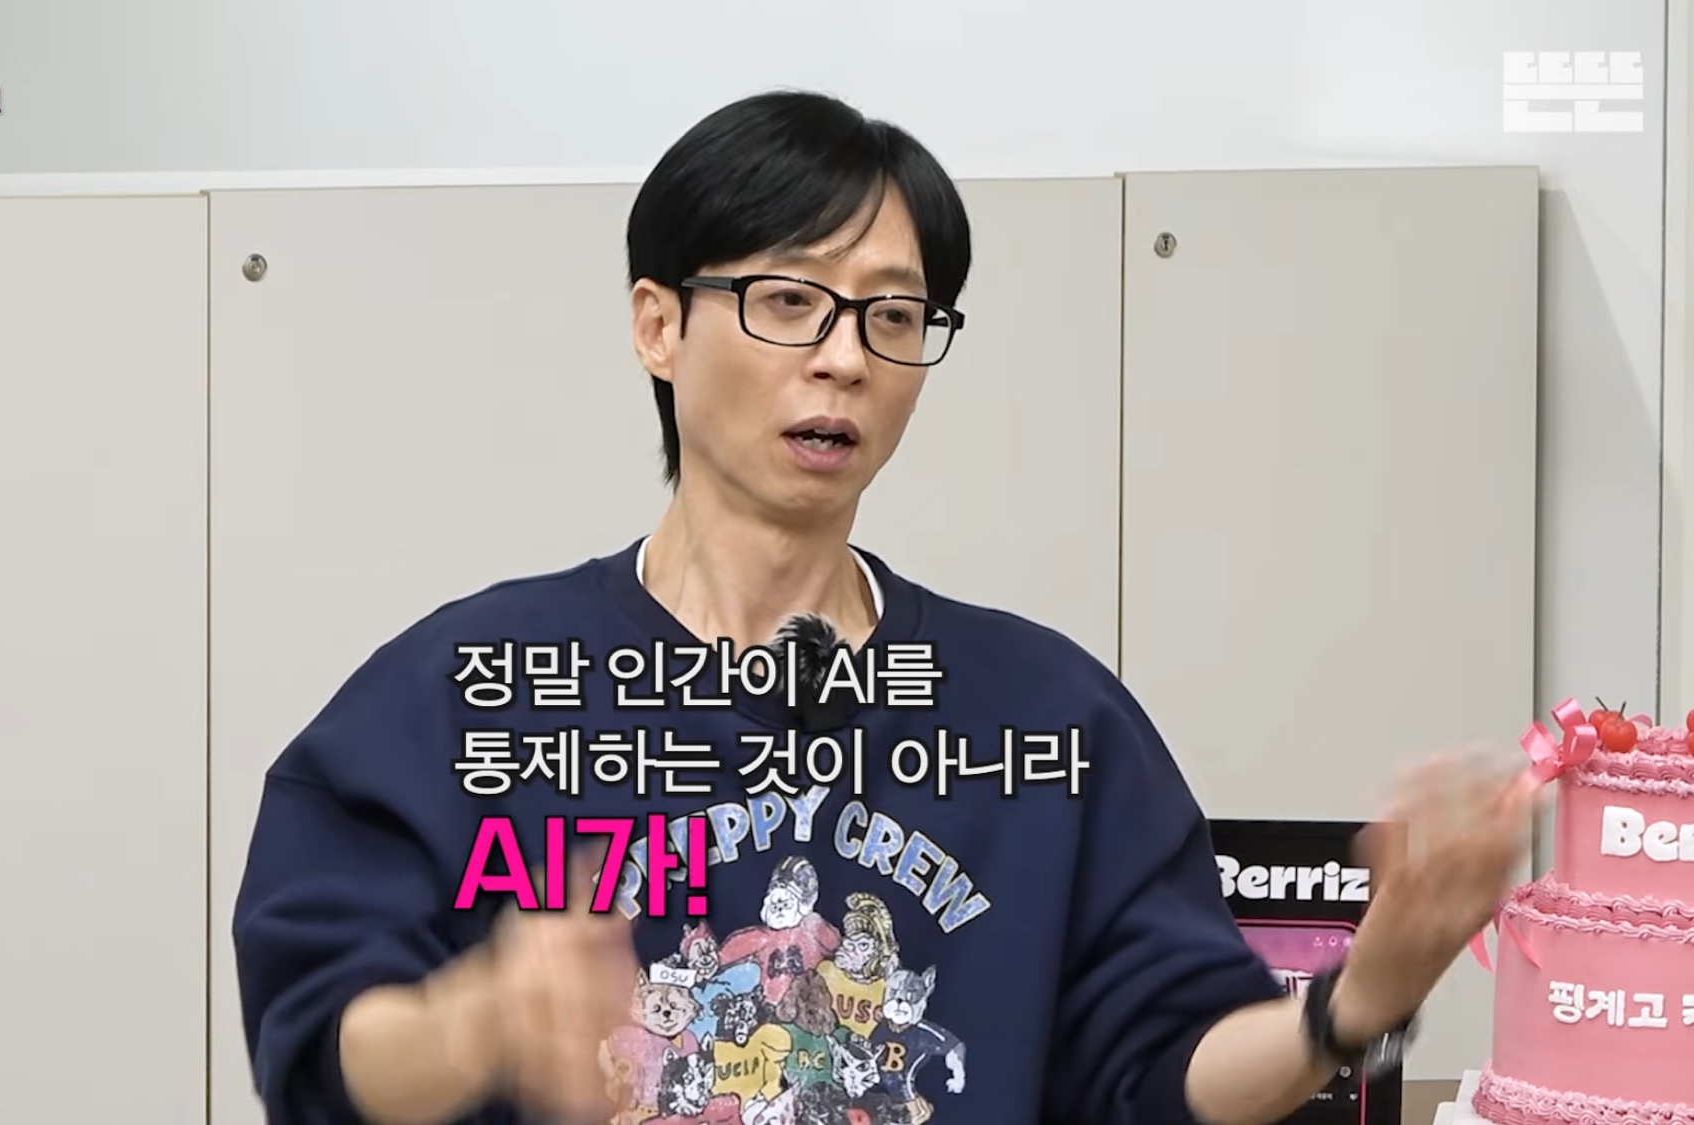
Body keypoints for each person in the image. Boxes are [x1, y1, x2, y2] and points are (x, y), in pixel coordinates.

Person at [232, 90, 1530, 1125]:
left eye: (894, 315)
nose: (846, 355)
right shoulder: (470, 689)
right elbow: (324, 1050)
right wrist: (471, 1024)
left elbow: (1165, 1068)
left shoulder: (1044, 717)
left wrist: (1357, 1002)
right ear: (658, 325)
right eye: (790, 301)